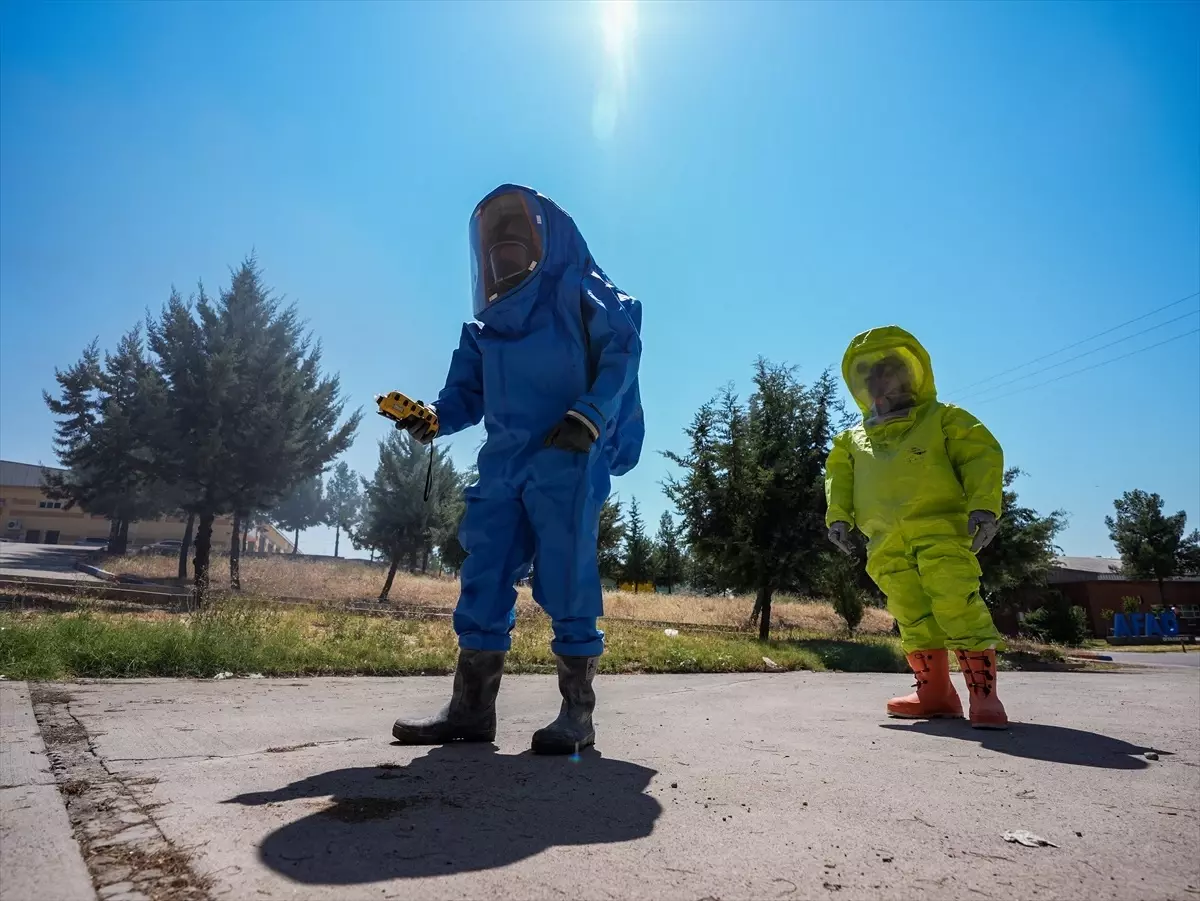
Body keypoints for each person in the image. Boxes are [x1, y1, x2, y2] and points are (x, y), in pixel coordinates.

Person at [388, 185, 643, 754]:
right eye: (493, 251)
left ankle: (578, 715)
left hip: (567, 455)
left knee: (566, 573)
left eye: (513, 244)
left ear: (542, 242)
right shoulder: (486, 332)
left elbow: (623, 352)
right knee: (485, 572)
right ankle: (471, 711)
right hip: (503, 465)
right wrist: (431, 417)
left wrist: (590, 417)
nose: (501, 257)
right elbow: (461, 397)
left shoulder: (582, 292)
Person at [824, 325, 1008, 729]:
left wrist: (984, 506)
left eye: (888, 370)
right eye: (870, 374)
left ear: (912, 372)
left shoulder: (945, 419)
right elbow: (838, 477)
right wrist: (838, 516)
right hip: (885, 541)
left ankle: (984, 696)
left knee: (956, 601)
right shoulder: (852, 440)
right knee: (910, 611)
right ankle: (935, 693)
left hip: (941, 532)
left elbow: (980, 456)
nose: (878, 381)